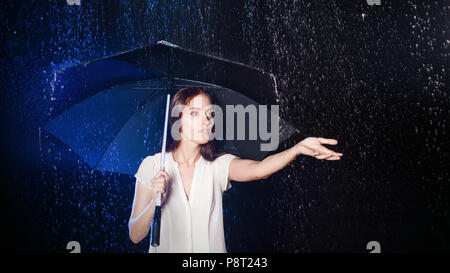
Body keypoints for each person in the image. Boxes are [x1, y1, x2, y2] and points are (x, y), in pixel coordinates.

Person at [128, 87, 343, 253]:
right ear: (178, 122)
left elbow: (260, 170)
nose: (206, 121)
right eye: (195, 113)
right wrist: (154, 200)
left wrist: (297, 149)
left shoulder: (217, 165)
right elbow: (135, 235)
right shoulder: (154, 166)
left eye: (210, 114)